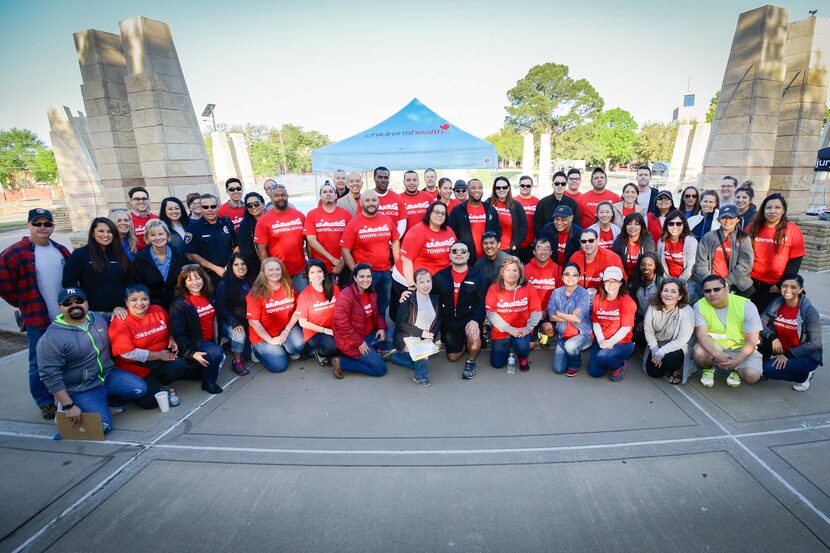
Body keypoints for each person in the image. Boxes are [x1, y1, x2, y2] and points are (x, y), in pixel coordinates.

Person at [36, 287, 146, 433]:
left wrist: (117, 309)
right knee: (103, 427)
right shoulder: (51, 338)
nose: (74, 305)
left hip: (107, 376)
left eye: (79, 300)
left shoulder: (98, 318)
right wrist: (68, 405)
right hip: (81, 388)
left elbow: (115, 317)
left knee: (139, 389)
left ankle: (103, 403)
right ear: (60, 308)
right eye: (67, 303)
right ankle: (66, 406)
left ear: (87, 303)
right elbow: (49, 375)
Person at [0, 208, 70, 419]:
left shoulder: (60, 250)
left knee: (66, 357)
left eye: (47, 224)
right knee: (38, 361)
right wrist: (23, 303)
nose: (42, 228)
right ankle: (44, 401)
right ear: (28, 225)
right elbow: (4, 285)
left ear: (52, 226)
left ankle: (65, 394)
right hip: (38, 317)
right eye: (37, 224)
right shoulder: (14, 253)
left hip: (64, 317)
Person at [108, 284, 191, 409]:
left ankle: (161, 383)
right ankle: (142, 386)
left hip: (160, 360)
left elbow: (169, 327)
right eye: (134, 300)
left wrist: (171, 338)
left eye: (144, 299)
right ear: (126, 301)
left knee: (180, 365)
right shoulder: (120, 321)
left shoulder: (157, 310)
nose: (140, 303)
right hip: (136, 367)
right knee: (151, 403)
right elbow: (127, 353)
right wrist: (159, 355)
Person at [340, 190, 400, 325]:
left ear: (378, 202)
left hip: (385, 272)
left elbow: (395, 240)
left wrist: (396, 263)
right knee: (364, 308)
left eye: (374, 200)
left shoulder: (386, 219)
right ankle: (366, 336)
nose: (371, 203)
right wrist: (355, 270)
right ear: (361, 203)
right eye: (367, 200)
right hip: (366, 275)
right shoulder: (354, 223)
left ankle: (381, 332)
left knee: (383, 305)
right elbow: (345, 249)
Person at [693, 275, 763, 388]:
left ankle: (735, 370)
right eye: (707, 291)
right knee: (699, 353)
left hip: (741, 349)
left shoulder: (746, 305)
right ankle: (709, 368)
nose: (712, 294)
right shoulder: (699, 306)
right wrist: (717, 354)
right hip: (715, 347)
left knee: (752, 377)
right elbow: (701, 335)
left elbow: (752, 341)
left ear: (726, 288)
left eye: (717, 289)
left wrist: (737, 361)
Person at [391, 202, 455, 318]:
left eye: (443, 213)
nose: (440, 215)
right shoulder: (417, 231)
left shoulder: (449, 231)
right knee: (412, 314)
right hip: (409, 277)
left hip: (432, 279)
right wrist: (411, 285)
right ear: (429, 213)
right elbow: (406, 260)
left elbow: (452, 256)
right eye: (436, 212)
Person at [759, 274, 823, 391]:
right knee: (758, 358)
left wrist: (788, 355)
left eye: (793, 287)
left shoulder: (809, 311)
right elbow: (760, 322)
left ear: (800, 290)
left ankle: (804, 376)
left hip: (804, 354)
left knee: (767, 369)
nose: (788, 290)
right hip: (781, 347)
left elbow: (815, 343)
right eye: (784, 286)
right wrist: (773, 337)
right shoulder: (777, 303)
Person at [168, 265, 224, 394]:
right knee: (216, 353)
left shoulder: (209, 295)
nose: (195, 282)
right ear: (184, 283)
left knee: (217, 353)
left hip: (211, 338)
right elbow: (179, 331)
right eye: (190, 280)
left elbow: (216, 318)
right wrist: (191, 352)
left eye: (198, 278)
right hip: (196, 343)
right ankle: (208, 382)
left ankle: (198, 371)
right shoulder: (179, 304)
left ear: (203, 279)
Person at [432, 242, 485, 379]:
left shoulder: (477, 276)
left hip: (469, 319)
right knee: (452, 357)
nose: (459, 253)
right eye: (455, 251)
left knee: (473, 335)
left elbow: (482, 302)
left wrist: (475, 320)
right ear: (450, 256)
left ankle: (471, 361)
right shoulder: (440, 276)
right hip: (450, 322)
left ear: (468, 255)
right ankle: (464, 344)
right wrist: (407, 295)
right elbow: (427, 295)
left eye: (463, 251)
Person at [748, 193, 805, 314]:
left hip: (773, 286)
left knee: (762, 317)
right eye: (768, 207)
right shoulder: (753, 227)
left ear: (783, 210)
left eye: (777, 207)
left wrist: (781, 285)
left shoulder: (792, 230)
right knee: (746, 315)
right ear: (763, 209)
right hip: (750, 282)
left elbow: (795, 260)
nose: (772, 211)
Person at [246, 257, 303, 373]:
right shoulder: (256, 292)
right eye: (270, 270)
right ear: (263, 273)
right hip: (263, 336)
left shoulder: (288, 285)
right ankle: (255, 351)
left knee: (298, 346)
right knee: (279, 366)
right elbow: (253, 322)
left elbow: (298, 309)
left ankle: (284, 347)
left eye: (277, 269)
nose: (275, 272)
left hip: (285, 329)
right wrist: (270, 340)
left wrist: (286, 331)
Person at [62, 217, 131, 313]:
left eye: (109, 231)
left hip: (120, 310)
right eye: (101, 231)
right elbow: (69, 282)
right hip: (93, 311)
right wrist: (86, 300)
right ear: (93, 233)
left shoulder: (120, 254)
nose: (106, 235)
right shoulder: (80, 254)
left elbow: (129, 280)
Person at [331, 263, 388, 378]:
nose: (365, 280)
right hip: (352, 341)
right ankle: (341, 362)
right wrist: (359, 343)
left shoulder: (371, 292)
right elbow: (341, 325)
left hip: (369, 334)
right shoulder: (346, 295)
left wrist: (381, 327)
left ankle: (374, 352)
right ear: (355, 278)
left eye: (368, 276)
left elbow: (376, 314)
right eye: (362, 276)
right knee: (380, 369)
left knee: (396, 338)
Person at [485, 258, 543, 371]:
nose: (512, 273)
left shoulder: (529, 287)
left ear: (520, 273)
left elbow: (537, 311)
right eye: (508, 270)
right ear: (502, 273)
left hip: (522, 330)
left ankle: (522, 356)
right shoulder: (493, 289)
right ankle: (507, 345)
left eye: (515, 270)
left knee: (522, 347)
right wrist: (510, 329)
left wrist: (527, 329)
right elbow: (491, 313)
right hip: (502, 330)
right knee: (497, 364)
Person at [391, 269, 441, 387]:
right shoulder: (408, 300)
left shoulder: (435, 299)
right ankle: (421, 376)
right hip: (409, 337)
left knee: (423, 356)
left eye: (428, 281)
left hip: (425, 337)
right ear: (416, 284)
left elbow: (438, 320)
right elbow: (400, 323)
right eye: (421, 282)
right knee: (423, 356)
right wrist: (421, 333)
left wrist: (432, 333)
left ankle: (396, 358)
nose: (426, 285)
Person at [254, 183, 307, 293]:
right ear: (271, 197)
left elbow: (309, 242)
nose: (280, 198)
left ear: (287, 196)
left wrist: (310, 263)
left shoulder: (300, 216)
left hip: (300, 270)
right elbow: (261, 249)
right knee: (285, 304)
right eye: (276, 195)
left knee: (304, 300)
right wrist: (268, 271)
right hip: (277, 273)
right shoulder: (264, 220)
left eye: (283, 195)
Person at [693, 204, 754, 297]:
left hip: (736, 285)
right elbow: (701, 263)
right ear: (718, 219)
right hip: (711, 285)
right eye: (724, 217)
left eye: (731, 217)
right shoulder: (709, 237)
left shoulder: (744, 239)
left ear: (737, 219)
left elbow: (745, 265)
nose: (727, 221)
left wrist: (726, 282)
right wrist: (711, 282)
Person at [587, 266, 636, 382]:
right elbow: (596, 322)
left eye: (615, 281)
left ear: (620, 283)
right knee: (595, 372)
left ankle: (619, 365)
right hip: (602, 340)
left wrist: (610, 342)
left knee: (602, 356)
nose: (611, 284)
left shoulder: (627, 301)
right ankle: (608, 359)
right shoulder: (598, 299)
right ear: (603, 282)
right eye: (608, 281)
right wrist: (601, 341)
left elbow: (625, 328)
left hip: (622, 343)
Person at [643, 278, 696, 384]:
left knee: (671, 358)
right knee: (654, 373)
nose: (668, 294)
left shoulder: (687, 311)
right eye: (665, 290)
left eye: (673, 291)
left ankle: (676, 369)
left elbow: (681, 340)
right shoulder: (653, 306)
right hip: (658, 345)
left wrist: (660, 353)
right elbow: (648, 331)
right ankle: (664, 365)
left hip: (678, 347)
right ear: (661, 292)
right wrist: (655, 350)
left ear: (680, 296)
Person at [130, 219, 186, 311]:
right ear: (147, 238)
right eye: (153, 235)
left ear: (167, 235)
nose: (158, 238)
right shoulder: (140, 258)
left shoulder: (178, 254)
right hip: (151, 306)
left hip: (177, 304)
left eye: (161, 234)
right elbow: (136, 285)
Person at [185, 193, 237, 288]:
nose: (210, 210)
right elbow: (191, 255)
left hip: (230, 272)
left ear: (218, 207)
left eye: (213, 206)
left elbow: (237, 245)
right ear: (201, 208)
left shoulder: (226, 223)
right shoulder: (193, 228)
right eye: (205, 207)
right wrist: (215, 268)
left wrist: (230, 265)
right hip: (208, 277)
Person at [549, 262, 593, 376]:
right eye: (567, 274)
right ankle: (570, 353)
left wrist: (559, 313)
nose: (570, 277)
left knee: (571, 346)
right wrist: (570, 317)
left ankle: (575, 364)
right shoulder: (556, 293)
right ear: (562, 277)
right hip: (563, 336)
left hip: (582, 334)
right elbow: (551, 316)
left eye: (574, 275)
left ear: (579, 278)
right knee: (558, 369)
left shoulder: (583, 293)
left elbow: (577, 320)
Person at [305, 182, 352, 285]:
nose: (328, 194)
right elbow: (311, 241)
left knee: (343, 296)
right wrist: (332, 259)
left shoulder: (346, 214)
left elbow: (350, 241)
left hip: (343, 265)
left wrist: (342, 262)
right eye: (324, 192)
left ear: (336, 196)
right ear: (320, 196)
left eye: (331, 191)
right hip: (321, 267)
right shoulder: (312, 214)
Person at [295, 259, 340, 365]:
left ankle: (335, 357)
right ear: (308, 276)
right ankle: (319, 353)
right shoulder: (304, 295)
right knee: (332, 346)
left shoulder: (335, 288)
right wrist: (325, 330)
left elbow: (341, 310)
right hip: (315, 333)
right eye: (312, 272)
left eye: (319, 271)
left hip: (334, 328)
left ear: (324, 274)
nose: (316, 275)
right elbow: (303, 322)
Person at [214, 253, 253, 376]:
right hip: (230, 321)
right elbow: (220, 307)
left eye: (243, 264)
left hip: (249, 320)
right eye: (236, 264)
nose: (240, 267)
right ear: (231, 267)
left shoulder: (252, 280)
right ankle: (236, 361)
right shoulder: (224, 284)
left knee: (251, 355)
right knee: (239, 334)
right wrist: (233, 321)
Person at [448, 178, 501, 264]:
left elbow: (498, 230)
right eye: (473, 188)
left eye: (480, 188)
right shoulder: (458, 210)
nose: (477, 190)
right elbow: (451, 234)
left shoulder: (490, 209)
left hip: (488, 258)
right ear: (468, 190)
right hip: (466, 259)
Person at [524, 238, 562, 346]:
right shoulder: (525, 269)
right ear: (534, 252)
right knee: (529, 346)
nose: (543, 252)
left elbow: (559, 296)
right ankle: (534, 333)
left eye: (547, 249)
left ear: (551, 253)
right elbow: (521, 295)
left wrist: (546, 310)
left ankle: (543, 334)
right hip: (529, 313)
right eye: (539, 249)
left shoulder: (558, 270)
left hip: (547, 313)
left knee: (549, 330)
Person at [571, 228, 625, 294]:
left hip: (605, 298)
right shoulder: (575, 257)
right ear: (580, 243)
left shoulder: (612, 258)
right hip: (580, 298)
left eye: (591, 241)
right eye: (584, 241)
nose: (587, 244)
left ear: (597, 240)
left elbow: (622, 282)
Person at [629, 252, 664, 345]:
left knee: (644, 334)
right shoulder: (635, 281)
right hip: (640, 316)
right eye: (642, 265)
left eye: (650, 265)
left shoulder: (660, 282)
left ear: (655, 266)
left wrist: (646, 321)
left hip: (656, 317)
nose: (646, 268)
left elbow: (662, 305)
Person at [534, 171, 581, 240]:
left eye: (563, 184)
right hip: (548, 242)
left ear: (566, 185)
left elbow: (576, 224)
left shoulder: (572, 203)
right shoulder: (543, 203)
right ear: (552, 184)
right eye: (557, 183)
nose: (560, 186)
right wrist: (542, 241)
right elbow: (537, 225)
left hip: (567, 243)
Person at [656, 210, 698, 285]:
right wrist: (668, 282)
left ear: (684, 225)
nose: (675, 227)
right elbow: (661, 264)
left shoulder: (691, 242)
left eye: (678, 224)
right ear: (666, 225)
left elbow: (691, 267)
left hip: (686, 282)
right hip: (667, 281)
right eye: (671, 224)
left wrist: (678, 282)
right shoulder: (661, 242)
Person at [611, 212, 657, 280]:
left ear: (642, 226)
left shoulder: (648, 242)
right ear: (625, 226)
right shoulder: (618, 242)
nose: (632, 227)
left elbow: (649, 267)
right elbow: (614, 264)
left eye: (636, 224)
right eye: (629, 224)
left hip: (642, 279)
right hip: (623, 279)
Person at [237, 191, 265, 278]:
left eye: (256, 204)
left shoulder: (272, 218)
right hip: (258, 267)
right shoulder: (245, 225)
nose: (253, 207)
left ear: (263, 204)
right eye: (249, 205)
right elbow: (247, 252)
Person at [514, 175, 539, 262]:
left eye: (528, 186)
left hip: (531, 243)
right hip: (515, 243)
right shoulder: (512, 201)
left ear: (532, 186)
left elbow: (539, 222)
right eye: (522, 185)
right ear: (519, 186)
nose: (525, 187)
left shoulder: (537, 202)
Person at [373, 166, 405, 234]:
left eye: (386, 177)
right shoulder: (366, 198)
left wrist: (394, 239)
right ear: (374, 178)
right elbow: (361, 221)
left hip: (393, 241)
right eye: (380, 177)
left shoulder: (397, 198)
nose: (383, 180)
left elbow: (402, 222)